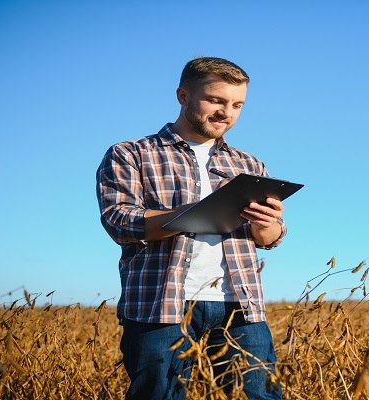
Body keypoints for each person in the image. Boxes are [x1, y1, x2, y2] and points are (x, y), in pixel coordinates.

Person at [96, 57, 285, 400]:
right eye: (215, 100)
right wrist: (194, 213)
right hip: (161, 306)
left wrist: (267, 224)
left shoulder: (249, 164)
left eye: (237, 104)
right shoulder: (130, 154)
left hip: (241, 306)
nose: (226, 112)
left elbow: (270, 239)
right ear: (183, 96)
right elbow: (120, 221)